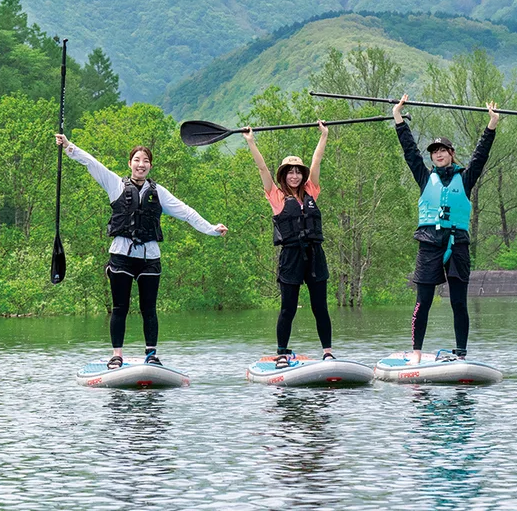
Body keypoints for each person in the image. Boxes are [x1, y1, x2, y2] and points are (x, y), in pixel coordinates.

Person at [55, 134, 227, 368]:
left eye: (145, 160)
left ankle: (151, 354)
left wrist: (212, 229)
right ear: (130, 163)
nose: (141, 164)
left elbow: (186, 212)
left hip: (149, 258)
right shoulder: (115, 184)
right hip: (121, 257)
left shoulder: (159, 193)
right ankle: (117, 355)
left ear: (150, 166)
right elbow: (92, 163)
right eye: (137, 159)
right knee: (120, 307)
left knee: (149, 309)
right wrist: (68, 146)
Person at [392, 94, 498, 364]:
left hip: (458, 244)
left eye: (442, 150)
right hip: (429, 243)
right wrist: (398, 119)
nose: (437, 153)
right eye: (434, 151)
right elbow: (410, 152)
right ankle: (416, 353)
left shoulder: (466, 176)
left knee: (459, 303)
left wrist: (491, 125)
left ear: (451, 153)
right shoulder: (424, 176)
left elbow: (481, 154)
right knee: (423, 301)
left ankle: (461, 353)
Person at [243, 121, 334, 367]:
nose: (294, 175)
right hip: (291, 257)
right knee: (288, 308)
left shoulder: (311, 192)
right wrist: (251, 141)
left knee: (320, 307)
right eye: (289, 172)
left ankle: (327, 352)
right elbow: (262, 167)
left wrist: (324, 135)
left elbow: (317, 161)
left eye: (298, 171)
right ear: (283, 175)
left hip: (315, 256)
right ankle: (282, 353)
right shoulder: (276, 195)